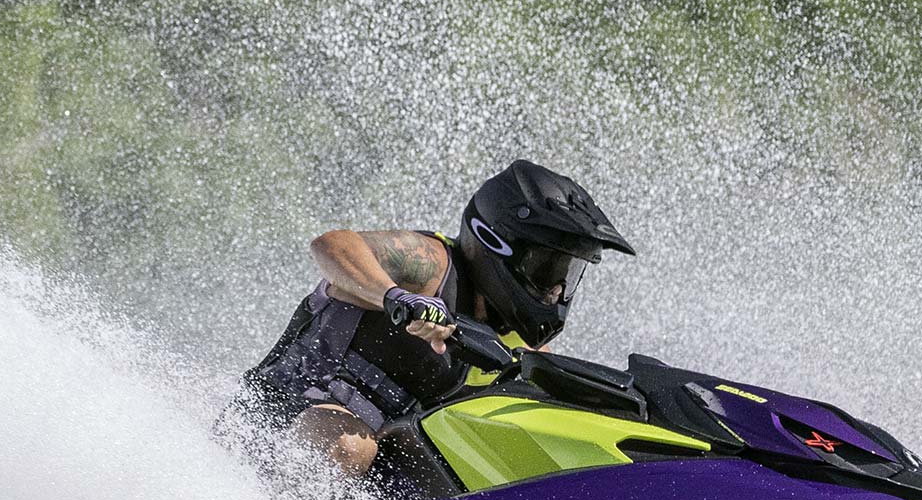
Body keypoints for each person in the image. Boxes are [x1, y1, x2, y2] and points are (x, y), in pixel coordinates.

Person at [236, 159, 635, 473]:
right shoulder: (429, 264)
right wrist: (395, 297)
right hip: (278, 416)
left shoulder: (527, 345)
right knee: (350, 445)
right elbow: (332, 246)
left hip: (380, 461)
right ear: (495, 242)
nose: (556, 290)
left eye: (568, 274)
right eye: (549, 269)